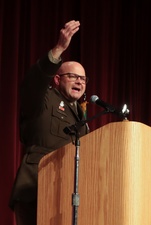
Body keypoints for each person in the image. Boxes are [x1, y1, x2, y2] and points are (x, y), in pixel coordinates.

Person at [8, 20, 89, 225]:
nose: (80, 81)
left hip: (69, 193)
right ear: (56, 79)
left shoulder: (82, 115)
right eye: (73, 76)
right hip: (37, 187)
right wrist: (59, 49)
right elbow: (33, 82)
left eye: (83, 79)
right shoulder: (43, 98)